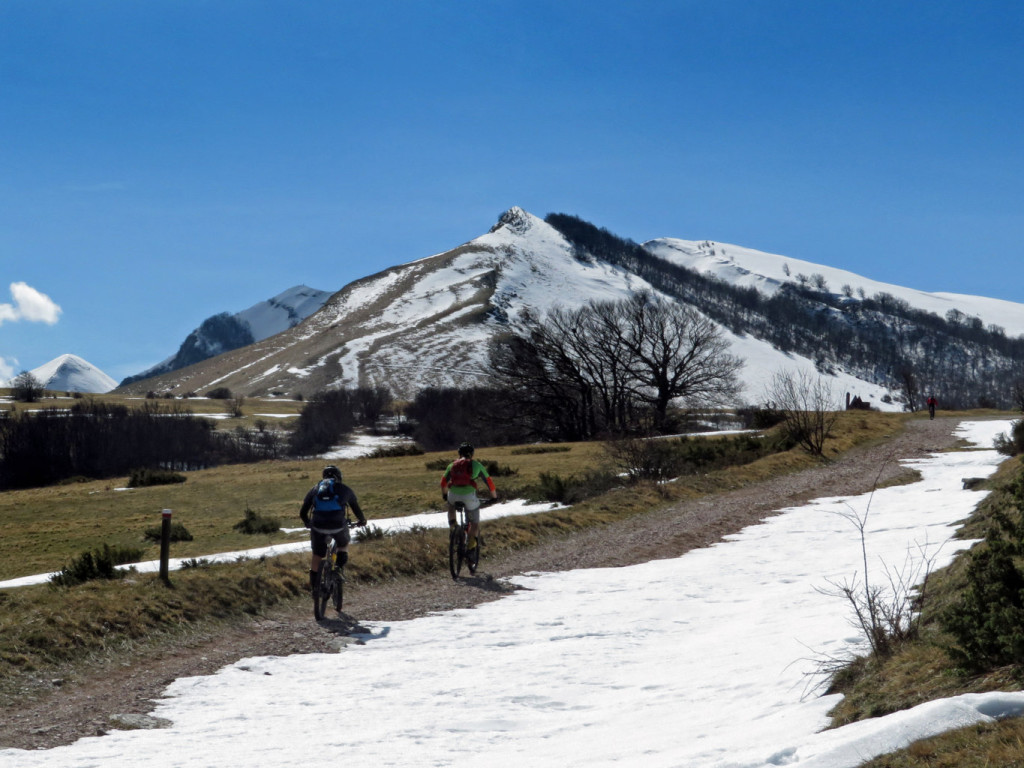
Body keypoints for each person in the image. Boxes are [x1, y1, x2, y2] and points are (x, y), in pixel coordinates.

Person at [299, 465, 367, 593]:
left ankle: (315, 587)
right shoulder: (344, 489)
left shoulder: (315, 489)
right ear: (339, 477)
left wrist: (308, 523)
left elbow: (303, 513)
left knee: (317, 554)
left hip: (318, 527)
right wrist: (362, 521)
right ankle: (338, 570)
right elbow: (356, 509)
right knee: (343, 544)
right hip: (338, 526)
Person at [441, 442, 497, 552]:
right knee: (474, 522)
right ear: (472, 454)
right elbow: (489, 483)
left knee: (451, 506)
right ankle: (471, 543)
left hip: (453, 494)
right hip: (469, 496)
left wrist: (444, 495)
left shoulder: (452, 465)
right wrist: (494, 497)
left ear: (459, 453)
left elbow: (443, 482)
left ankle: (453, 526)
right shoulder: (477, 465)